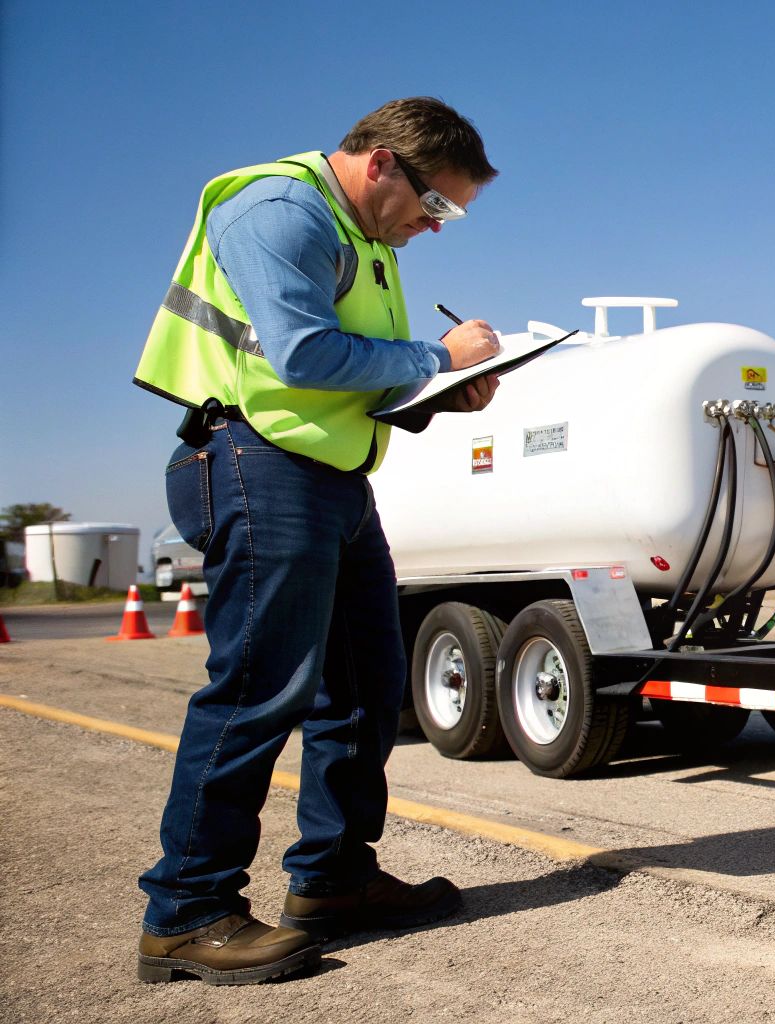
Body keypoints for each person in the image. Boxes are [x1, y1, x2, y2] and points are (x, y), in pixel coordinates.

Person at [131, 97, 502, 985]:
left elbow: (352, 380)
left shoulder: (369, 242)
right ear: (381, 163)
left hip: (330, 476)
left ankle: (334, 879)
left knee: (366, 692)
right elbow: (300, 356)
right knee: (260, 690)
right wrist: (439, 359)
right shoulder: (279, 210)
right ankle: (186, 912)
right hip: (257, 462)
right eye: (436, 205)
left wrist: (449, 388)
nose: (434, 226)